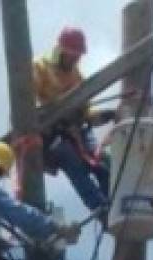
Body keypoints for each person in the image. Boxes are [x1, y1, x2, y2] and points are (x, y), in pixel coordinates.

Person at [33, 27, 112, 216]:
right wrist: (51, 112)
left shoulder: (76, 76)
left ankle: (115, 203)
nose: (76, 59)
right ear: (61, 51)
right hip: (52, 135)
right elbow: (28, 104)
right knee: (74, 165)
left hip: (77, 130)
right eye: (72, 55)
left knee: (105, 162)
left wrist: (106, 115)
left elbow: (86, 112)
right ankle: (101, 211)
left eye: (78, 56)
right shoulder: (40, 67)